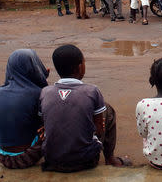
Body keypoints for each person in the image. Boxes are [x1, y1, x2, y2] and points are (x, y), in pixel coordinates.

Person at [39, 44, 131, 172]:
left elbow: (44, 123)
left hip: (52, 159)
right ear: (80, 67)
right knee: (107, 110)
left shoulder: (45, 92)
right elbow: (99, 130)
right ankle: (110, 158)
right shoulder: (92, 91)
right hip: (85, 161)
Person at [0, 49, 49, 169]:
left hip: (1, 155)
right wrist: (42, 77)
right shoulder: (38, 93)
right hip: (28, 156)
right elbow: (45, 122)